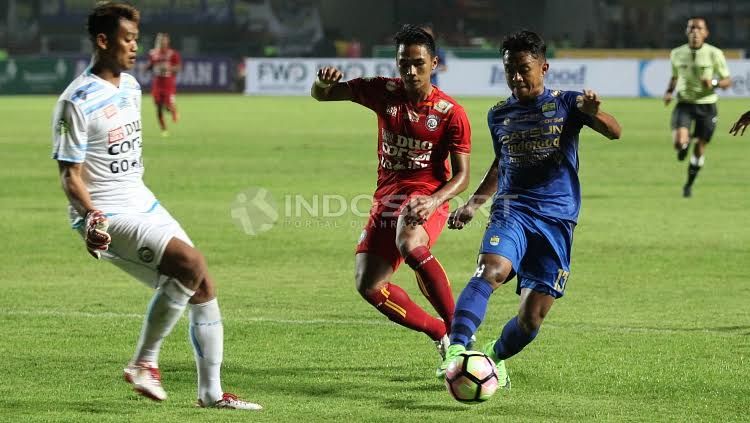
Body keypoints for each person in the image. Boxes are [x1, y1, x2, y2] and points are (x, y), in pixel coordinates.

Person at [51, 2, 260, 410]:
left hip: (140, 198)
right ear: (102, 40)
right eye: (128, 39)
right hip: (106, 212)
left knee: (201, 285)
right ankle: (144, 362)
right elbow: (69, 175)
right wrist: (93, 216)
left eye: (136, 38)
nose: (135, 47)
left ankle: (212, 395)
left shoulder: (130, 86)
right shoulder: (75, 101)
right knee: (189, 262)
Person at [435, 30, 622, 384]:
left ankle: (492, 357)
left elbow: (615, 132)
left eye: (524, 68)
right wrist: (474, 204)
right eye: (510, 70)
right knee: (490, 271)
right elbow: (500, 162)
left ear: (544, 67)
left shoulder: (567, 103)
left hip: (558, 219)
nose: (517, 77)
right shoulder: (499, 114)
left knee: (531, 318)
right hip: (512, 211)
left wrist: (596, 114)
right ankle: (458, 348)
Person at [311, 24, 471, 363]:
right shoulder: (382, 91)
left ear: (435, 64)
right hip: (386, 197)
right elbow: (322, 95)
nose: (411, 71)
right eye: (403, 64)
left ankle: (461, 335)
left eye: (418, 63)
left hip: (428, 195)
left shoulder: (451, 113)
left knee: (410, 240)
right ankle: (440, 332)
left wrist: (434, 200)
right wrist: (322, 84)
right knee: (368, 284)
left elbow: (462, 176)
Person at [663, 17, 731, 197]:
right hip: (684, 103)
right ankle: (683, 145)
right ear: (686, 32)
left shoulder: (715, 53)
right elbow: (674, 76)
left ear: (706, 33)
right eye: (691, 28)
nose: (695, 31)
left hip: (707, 106)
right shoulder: (676, 53)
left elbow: (727, 81)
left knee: (700, 148)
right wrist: (669, 91)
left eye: (699, 28)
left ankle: (689, 184)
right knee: (679, 142)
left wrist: (714, 82)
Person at [147, 32, 181, 137]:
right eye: (160, 40)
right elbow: (151, 66)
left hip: (168, 83)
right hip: (157, 82)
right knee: (158, 106)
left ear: (167, 41)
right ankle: (164, 129)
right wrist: (147, 68)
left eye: (164, 40)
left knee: (167, 106)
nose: (162, 42)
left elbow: (178, 68)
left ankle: (173, 110)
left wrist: (169, 68)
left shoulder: (172, 54)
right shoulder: (153, 53)